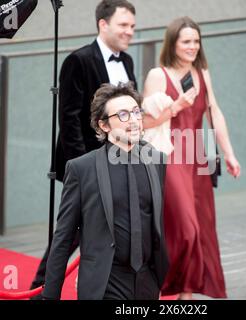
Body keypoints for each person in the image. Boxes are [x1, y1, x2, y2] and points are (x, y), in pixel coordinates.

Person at [30, 0, 137, 293]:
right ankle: (40, 291)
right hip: (87, 167)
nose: (130, 32)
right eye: (124, 25)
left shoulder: (126, 61)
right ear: (103, 24)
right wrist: (87, 169)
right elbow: (69, 120)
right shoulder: (78, 60)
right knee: (69, 234)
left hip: (123, 162)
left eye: (132, 26)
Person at [142, 16, 241, 300]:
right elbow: (145, 123)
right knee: (186, 229)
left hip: (199, 157)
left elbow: (215, 112)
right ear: (173, 44)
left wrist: (229, 153)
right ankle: (161, 289)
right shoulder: (157, 75)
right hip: (170, 156)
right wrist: (176, 105)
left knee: (202, 230)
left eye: (196, 41)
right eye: (186, 41)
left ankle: (187, 298)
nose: (193, 46)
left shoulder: (202, 71)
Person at [42, 83, 168, 300]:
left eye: (136, 112)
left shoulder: (156, 160)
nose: (134, 120)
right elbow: (63, 237)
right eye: (123, 115)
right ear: (104, 125)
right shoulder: (82, 169)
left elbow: (155, 221)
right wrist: (49, 295)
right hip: (106, 281)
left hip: (148, 280)